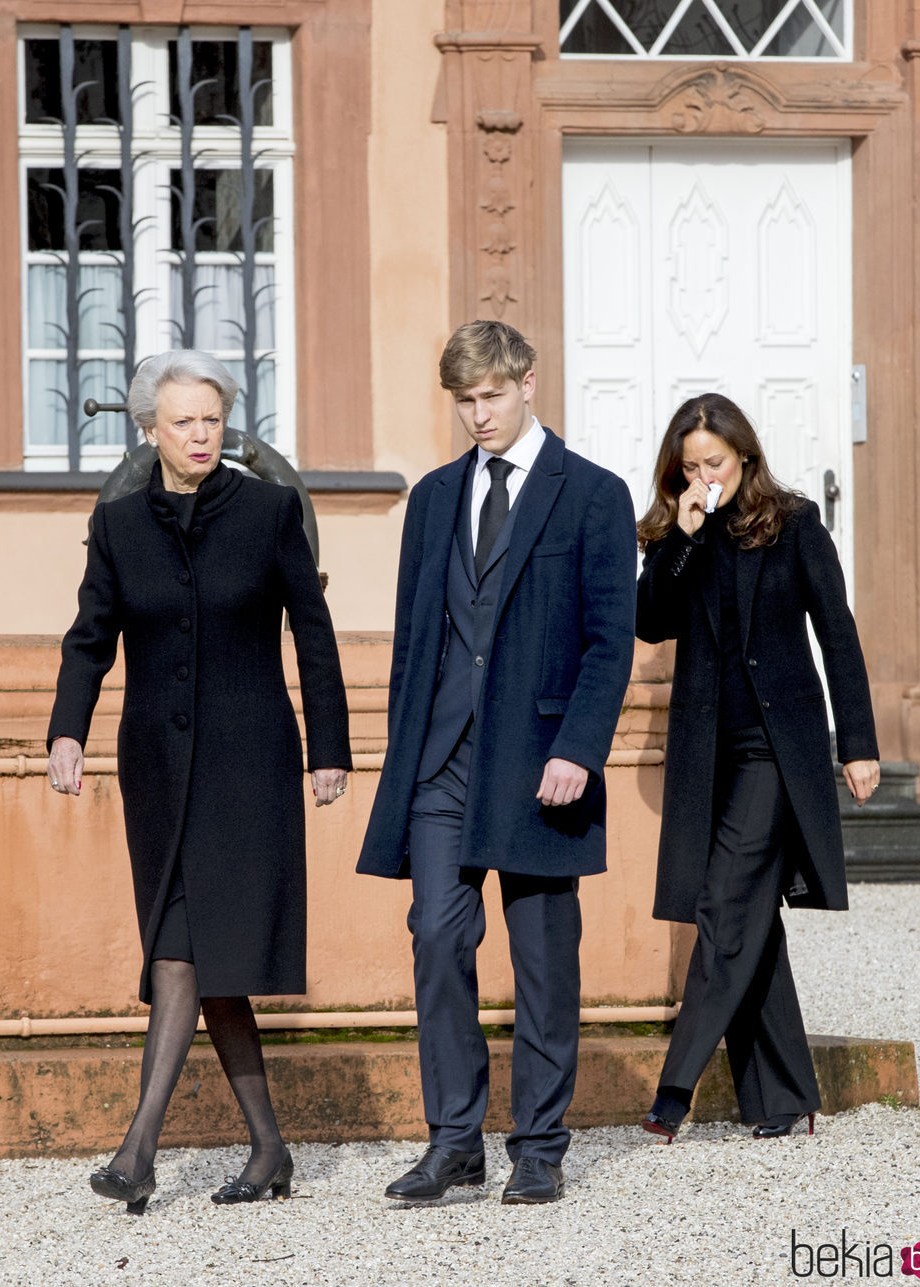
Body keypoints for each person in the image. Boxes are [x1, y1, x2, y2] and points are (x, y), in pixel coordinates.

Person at [47, 350, 351, 1212]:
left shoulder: (269, 511)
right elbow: (88, 636)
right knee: (199, 960)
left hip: (248, 768)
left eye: (211, 419)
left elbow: (315, 633)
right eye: (183, 421)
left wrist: (329, 745)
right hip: (155, 768)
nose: (201, 434)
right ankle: (269, 1149)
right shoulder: (118, 524)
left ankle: (138, 1150)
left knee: (184, 951)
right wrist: (67, 728)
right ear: (150, 430)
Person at [357, 321, 636, 1204]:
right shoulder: (435, 497)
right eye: (463, 401)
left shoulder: (594, 493)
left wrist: (579, 750)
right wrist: (404, 753)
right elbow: (415, 639)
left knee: (545, 957)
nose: (477, 414)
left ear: (526, 381)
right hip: (442, 757)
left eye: (490, 395)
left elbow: (610, 641)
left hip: (541, 761)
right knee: (437, 937)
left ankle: (541, 1145)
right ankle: (453, 1140)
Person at [635, 392, 879, 1142]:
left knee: (722, 904)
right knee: (748, 918)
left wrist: (858, 743)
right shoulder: (680, 533)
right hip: (711, 752)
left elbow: (837, 633)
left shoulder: (797, 522)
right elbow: (651, 620)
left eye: (715, 462)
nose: (704, 476)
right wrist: (681, 537)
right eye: (691, 467)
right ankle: (783, 1097)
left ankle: (675, 1086)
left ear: (745, 455)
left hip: (780, 751)